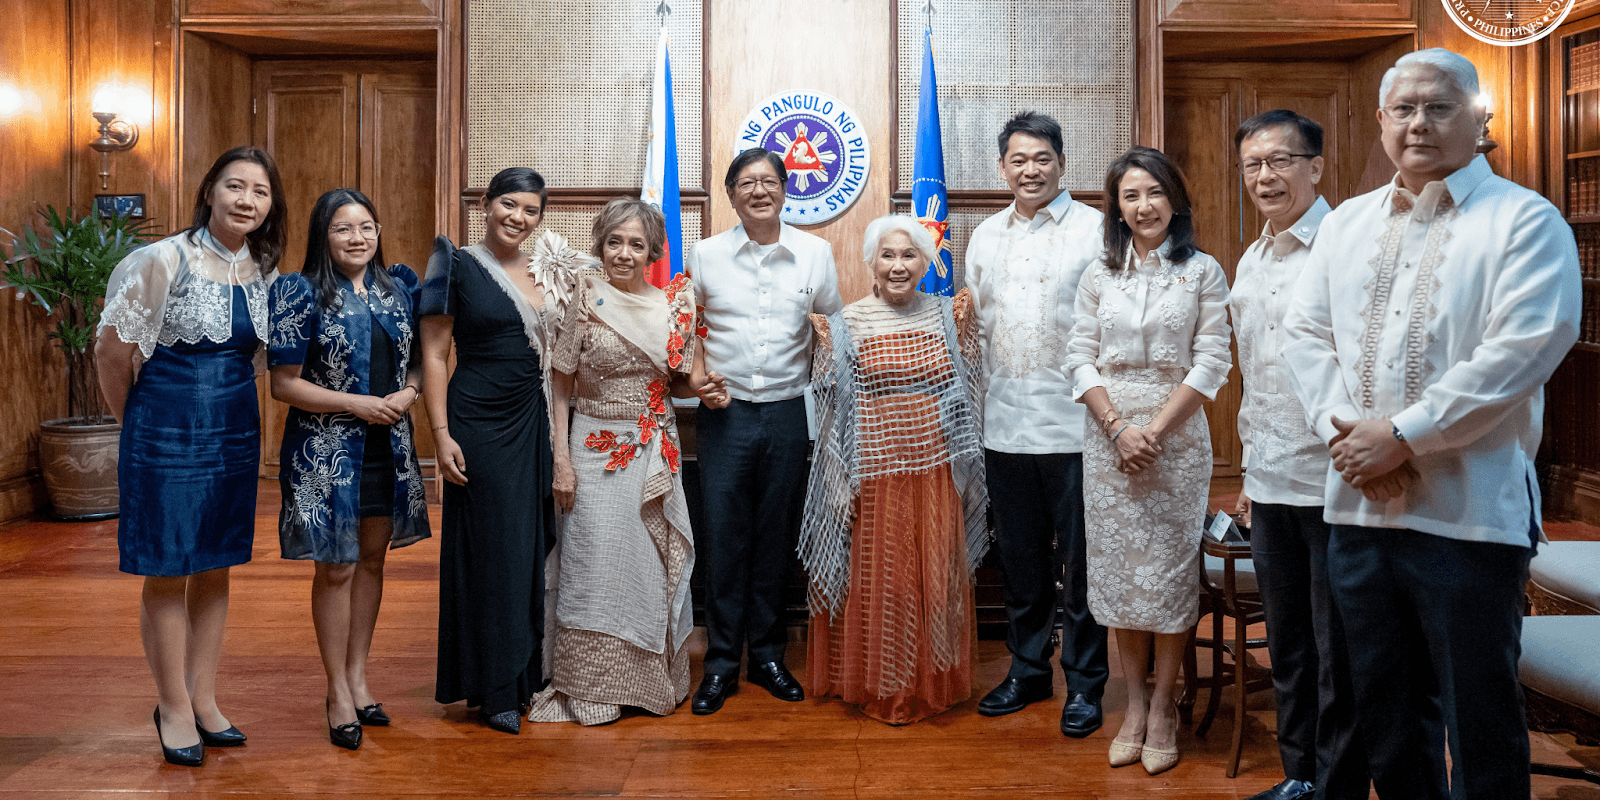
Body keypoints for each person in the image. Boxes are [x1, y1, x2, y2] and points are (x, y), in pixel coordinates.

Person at [1283, 49, 1581, 799]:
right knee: (1386, 716)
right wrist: (1347, 436)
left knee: (1481, 719)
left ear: (1478, 119)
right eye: (1404, 109)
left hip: (1469, 516)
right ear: (1381, 122)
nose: (1419, 123)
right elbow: (1304, 335)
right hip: (1359, 512)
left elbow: (1526, 347)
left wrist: (1401, 437)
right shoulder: (1347, 224)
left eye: (1439, 107)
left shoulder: (1524, 219)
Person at [94, 145, 287, 766]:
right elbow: (111, 353)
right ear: (209, 191)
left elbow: (257, 360)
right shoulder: (162, 259)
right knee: (167, 566)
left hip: (234, 433)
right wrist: (133, 424)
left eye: (260, 191)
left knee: (216, 565)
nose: (246, 200)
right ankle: (172, 705)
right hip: (164, 431)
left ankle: (204, 698)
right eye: (235, 186)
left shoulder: (263, 270)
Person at [1067, 145, 1232, 776]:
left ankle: (1165, 706)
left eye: (1155, 192)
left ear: (1175, 200)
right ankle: (1133, 706)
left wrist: (1154, 432)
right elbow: (1078, 356)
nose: (1144, 206)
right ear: (1116, 208)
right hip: (1107, 438)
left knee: (1166, 575)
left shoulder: (1203, 271)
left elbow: (1212, 360)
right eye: (1130, 195)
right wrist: (1116, 428)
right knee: (1117, 575)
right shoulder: (1097, 274)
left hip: (1176, 439)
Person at [1229, 111, 1368, 800]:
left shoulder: (1347, 247)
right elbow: (1256, 377)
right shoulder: (1251, 259)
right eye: (1253, 165)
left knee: (1337, 646)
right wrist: (1249, 471)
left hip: (1335, 480)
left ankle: (1337, 786)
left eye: (1280, 161)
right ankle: (1299, 776)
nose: (1265, 176)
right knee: (1287, 643)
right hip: (1270, 478)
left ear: (1316, 166)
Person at [799, 215, 988, 725]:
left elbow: (973, 392)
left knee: (934, 576)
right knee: (883, 577)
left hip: (937, 468)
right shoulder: (844, 324)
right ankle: (884, 682)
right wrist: (837, 479)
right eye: (888, 255)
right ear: (872, 263)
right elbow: (830, 411)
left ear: (926, 264)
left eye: (910, 255)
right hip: (873, 469)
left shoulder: (952, 316)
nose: (899, 265)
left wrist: (971, 470)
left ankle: (930, 678)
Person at [267, 188, 431, 750]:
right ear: (324, 235)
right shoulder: (299, 291)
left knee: (372, 561)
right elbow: (283, 383)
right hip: (326, 453)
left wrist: (410, 393)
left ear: (378, 232)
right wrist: (357, 404)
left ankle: (359, 677)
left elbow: (419, 363)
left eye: (366, 227)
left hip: (390, 448)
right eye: (343, 228)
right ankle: (336, 689)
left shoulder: (400, 288)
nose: (357, 238)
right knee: (336, 567)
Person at [528, 198, 701, 726]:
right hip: (592, 446)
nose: (624, 253)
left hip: (653, 448)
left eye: (636, 245)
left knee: (647, 565)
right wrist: (561, 460)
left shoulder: (675, 305)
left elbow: (682, 380)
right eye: (614, 242)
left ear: (653, 252)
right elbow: (560, 383)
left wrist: (707, 388)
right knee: (592, 562)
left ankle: (645, 683)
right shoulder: (583, 296)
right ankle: (588, 685)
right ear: (601, 245)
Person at [964, 111, 1109, 735]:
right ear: (1002, 168)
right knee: (1021, 563)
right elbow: (976, 333)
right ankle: (1027, 671)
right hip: (1004, 427)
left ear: (1062, 163)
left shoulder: (1097, 231)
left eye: (1042, 158)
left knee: (1081, 565)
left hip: (1078, 426)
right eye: (1018, 160)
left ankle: (1086, 684)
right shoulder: (984, 237)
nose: (1031, 170)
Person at [420, 167, 578, 734]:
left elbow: (560, 357)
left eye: (531, 210)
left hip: (533, 420)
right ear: (486, 204)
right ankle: (494, 687)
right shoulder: (454, 263)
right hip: (479, 424)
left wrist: (561, 445)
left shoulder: (545, 269)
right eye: (509, 204)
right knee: (495, 552)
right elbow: (433, 354)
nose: (518, 217)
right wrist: (441, 435)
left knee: (529, 549)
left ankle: (522, 675)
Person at [685, 147, 843, 714]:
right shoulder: (705, 255)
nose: (759, 191)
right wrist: (698, 379)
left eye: (769, 181)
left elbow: (830, 331)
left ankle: (770, 657)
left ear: (785, 190)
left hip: (787, 412)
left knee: (776, 536)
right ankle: (722, 662)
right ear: (731, 195)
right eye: (747, 183)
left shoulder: (815, 254)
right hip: (724, 414)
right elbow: (688, 330)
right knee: (724, 537)